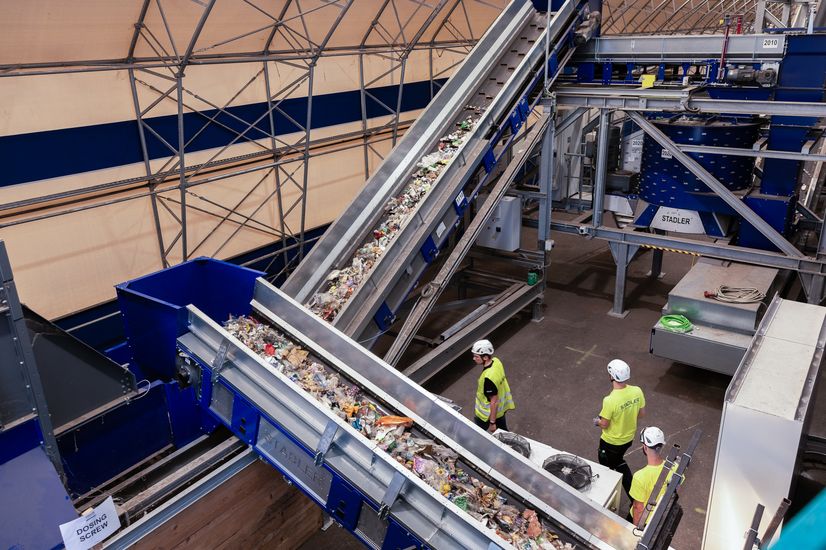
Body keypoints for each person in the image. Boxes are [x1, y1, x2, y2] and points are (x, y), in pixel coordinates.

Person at [594, 359, 645, 496]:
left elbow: (604, 424)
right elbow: (641, 414)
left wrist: (597, 421)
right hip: (628, 440)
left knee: (607, 467)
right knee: (618, 461)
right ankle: (634, 496)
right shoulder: (637, 391)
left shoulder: (610, 400)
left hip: (610, 442)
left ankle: (607, 493)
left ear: (611, 376)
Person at [629, 427, 681, 525]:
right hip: (660, 517)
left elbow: (638, 508)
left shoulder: (640, 477)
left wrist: (635, 529)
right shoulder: (675, 468)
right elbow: (678, 486)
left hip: (645, 520)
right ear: (661, 446)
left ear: (645, 447)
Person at [472, 339, 515, 433]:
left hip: (486, 415)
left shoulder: (488, 378)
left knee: (475, 433)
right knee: (503, 432)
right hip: (500, 411)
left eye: (476, 356)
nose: (474, 359)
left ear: (485, 357)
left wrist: (492, 423)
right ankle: (511, 445)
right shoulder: (496, 362)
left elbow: (494, 402)